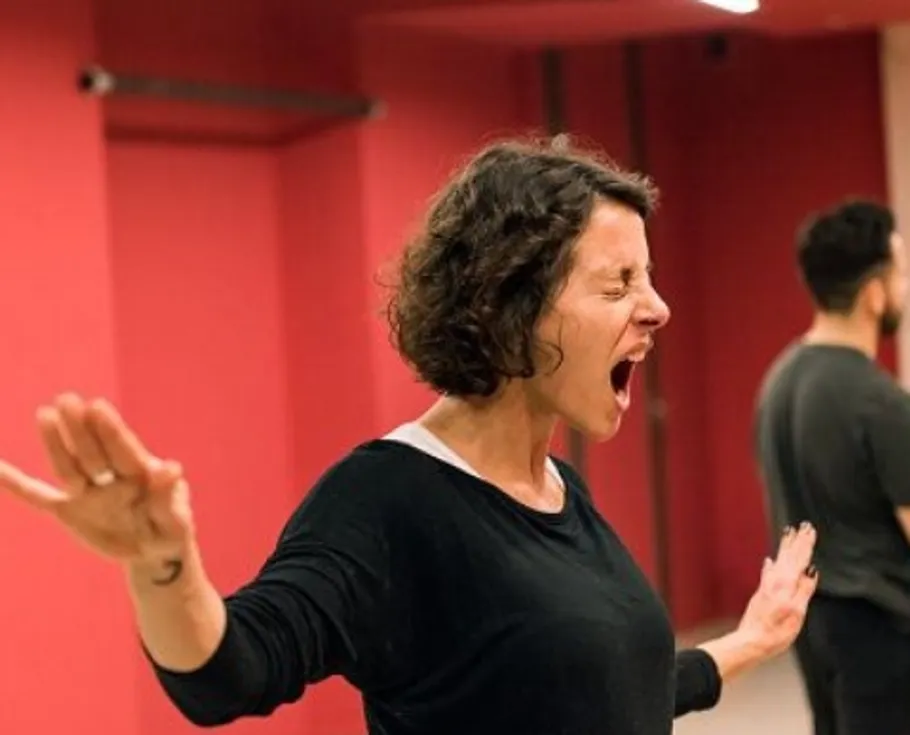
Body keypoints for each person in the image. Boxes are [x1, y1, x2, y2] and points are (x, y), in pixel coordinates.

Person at [1, 138, 816, 735]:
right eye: (619, 283)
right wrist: (162, 567)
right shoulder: (389, 499)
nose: (658, 306)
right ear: (511, 306)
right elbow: (227, 675)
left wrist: (748, 641)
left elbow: (595, 689)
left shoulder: (560, 486)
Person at [754, 199, 910, 735]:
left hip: (813, 622)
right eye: (902, 273)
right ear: (873, 294)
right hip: (883, 628)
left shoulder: (778, 381)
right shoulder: (879, 400)